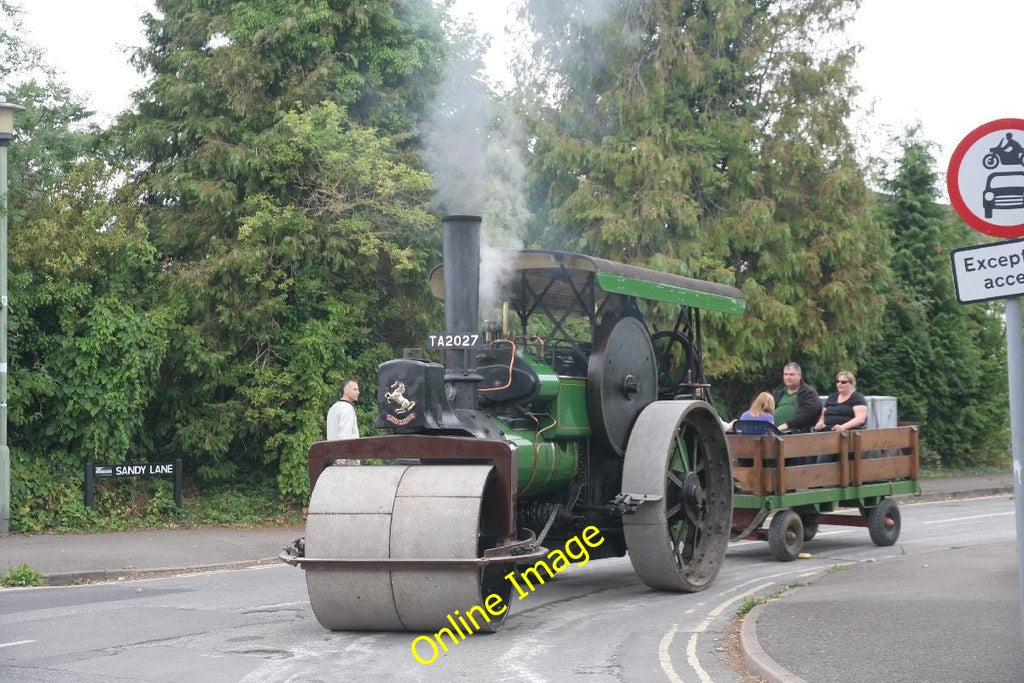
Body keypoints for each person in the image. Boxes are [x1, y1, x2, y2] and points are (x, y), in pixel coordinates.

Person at [771, 362, 819, 433]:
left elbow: (806, 414)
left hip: (797, 433)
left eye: (791, 374)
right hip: (774, 432)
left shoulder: (809, 393)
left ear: (800, 376)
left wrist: (787, 425)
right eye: (785, 374)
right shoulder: (778, 392)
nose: (788, 377)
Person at [326, 379, 361, 465]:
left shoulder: (333, 408)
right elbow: (345, 433)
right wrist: (341, 457)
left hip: (333, 456)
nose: (358, 392)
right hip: (346, 459)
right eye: (355, 389)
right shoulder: (347, 408)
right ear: (345, 391)